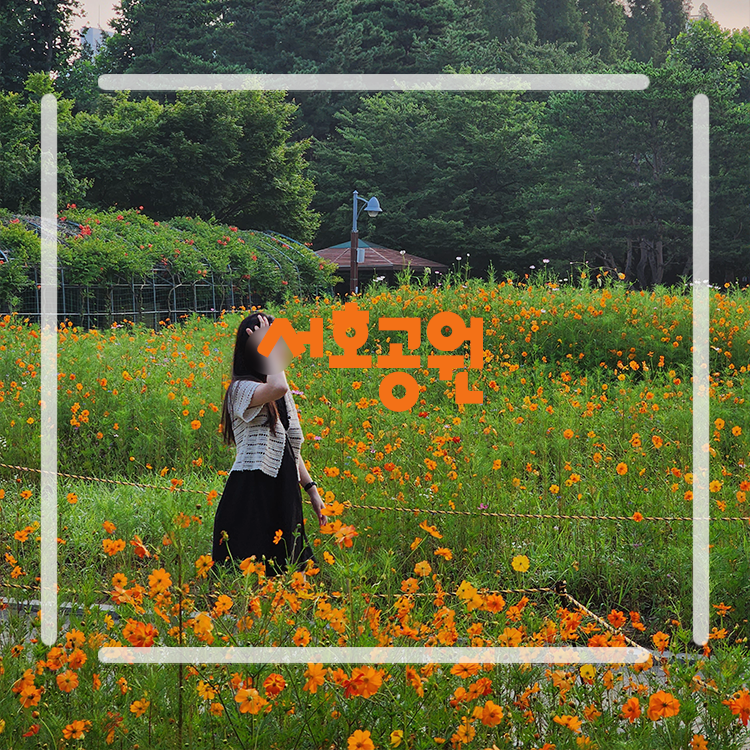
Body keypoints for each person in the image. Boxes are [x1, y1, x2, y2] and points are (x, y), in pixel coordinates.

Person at [211, 311, 327, 577]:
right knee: (249, 575)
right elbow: (279, 387)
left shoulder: (277, 391)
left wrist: (312, 490)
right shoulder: (239, 390)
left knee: (287, 571)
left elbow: (289, 448)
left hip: (283, 492)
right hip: (252, 492)